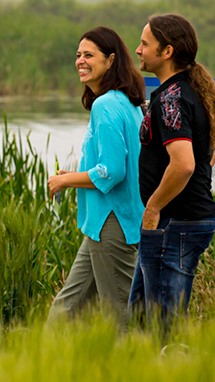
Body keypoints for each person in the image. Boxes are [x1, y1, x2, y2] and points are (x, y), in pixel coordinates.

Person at [128, 14, 215, 331]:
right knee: (141, 317)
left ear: (166, 51)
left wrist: (153, 208)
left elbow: (184, 164)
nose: (139, 50)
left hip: (175, 224)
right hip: (178, 222)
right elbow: (206, 158)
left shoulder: (172, 99)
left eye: (145, 44)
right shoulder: (188, 92)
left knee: (162, 325)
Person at [46, 27, 146, 327]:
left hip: (111, 224)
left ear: (110, 60)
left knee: (122, 319)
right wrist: (75, 175)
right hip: (103, 223)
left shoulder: (106, 105)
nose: (80, 61)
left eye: (89, 55)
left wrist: (64, 181)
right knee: (65, 311)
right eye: (78, 55)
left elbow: (113, 171)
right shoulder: (126, 103)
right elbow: (112, 164)